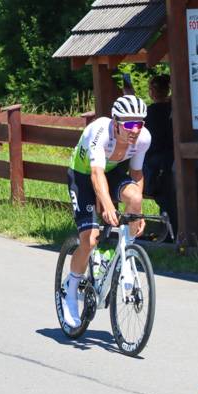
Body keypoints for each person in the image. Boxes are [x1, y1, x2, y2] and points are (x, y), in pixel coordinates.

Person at [62, 94, 151, 328]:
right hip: (82, 175)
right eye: (130, 124)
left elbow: (136, 174)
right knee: (90, 240)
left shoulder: (143, 139)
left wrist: (137, 209)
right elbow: (95, 175)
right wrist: (108, 205)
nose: (135, 130)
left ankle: (125, 251)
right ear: (115, 122)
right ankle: (70, 290)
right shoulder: (100, 132)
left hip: (112, 172)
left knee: (135, 197)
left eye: (140, 124)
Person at [142, 74, 177, 234]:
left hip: (156, 163)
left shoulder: (149, 113)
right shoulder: (174, 109)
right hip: (173, 159)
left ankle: (168, 231)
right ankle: (171, 230)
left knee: (164, 198)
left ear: (152, 92)